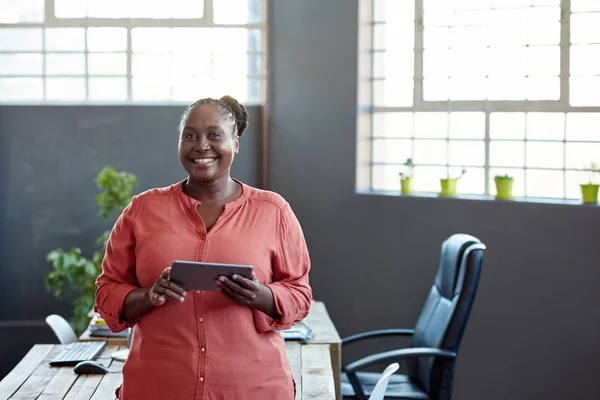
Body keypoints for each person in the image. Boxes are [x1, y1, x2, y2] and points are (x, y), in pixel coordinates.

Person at [95, 95, 312, 400]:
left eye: (214, 135)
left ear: (235, 143)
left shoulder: (273, 211)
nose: (201, 146)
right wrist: (148, 296)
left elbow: (300, 295)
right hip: (157, 389)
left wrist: (261, 295)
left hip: (254, 389)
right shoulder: (142, 210)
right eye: (190, 136)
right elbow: (106, 291)